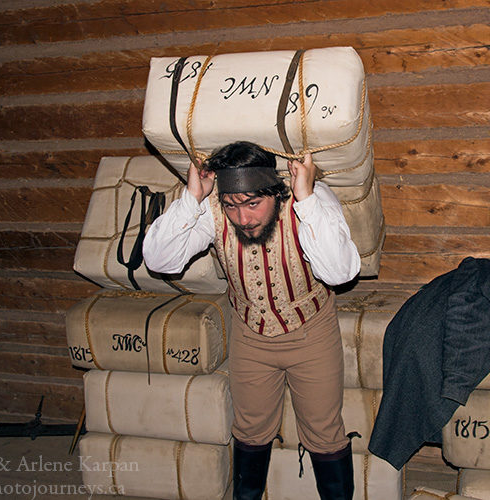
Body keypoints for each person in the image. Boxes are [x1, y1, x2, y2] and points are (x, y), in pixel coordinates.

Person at [142, 141, 361, 500]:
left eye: (253, 204)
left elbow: (340, 272)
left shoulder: (310, 200)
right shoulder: (213, 210)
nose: (243, 219)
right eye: (232, 206)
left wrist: (306, 199)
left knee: (324, 432)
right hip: (250, 335)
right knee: (249, 431)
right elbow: (160, 259)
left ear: (275, 191)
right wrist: (191, 198)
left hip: (311, 334)